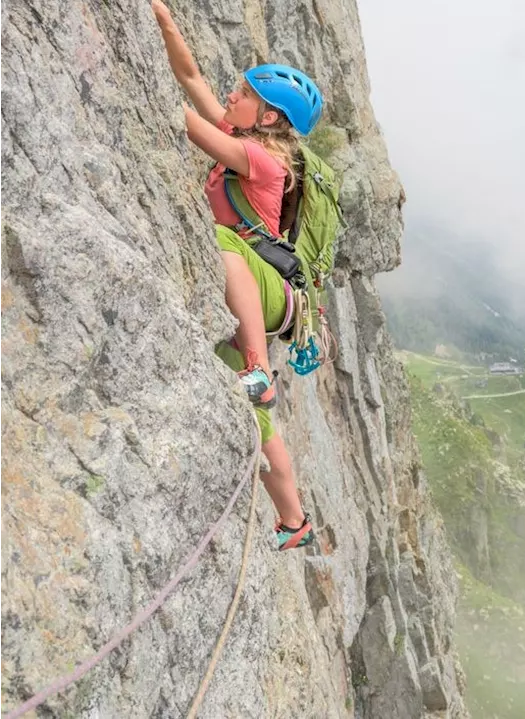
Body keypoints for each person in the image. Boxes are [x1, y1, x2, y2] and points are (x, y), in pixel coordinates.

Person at [152, 0, 322, 551]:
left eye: (245, 94)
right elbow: (191, 77)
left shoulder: (265, 161)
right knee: (257, 418)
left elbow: (193, 125)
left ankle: (259, 368)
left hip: (265, 291)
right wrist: (162, 21)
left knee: (221, 239)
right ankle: (295, 523)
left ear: (269, 117)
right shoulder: (244, 138)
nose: (232, 95)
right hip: (250, 287)